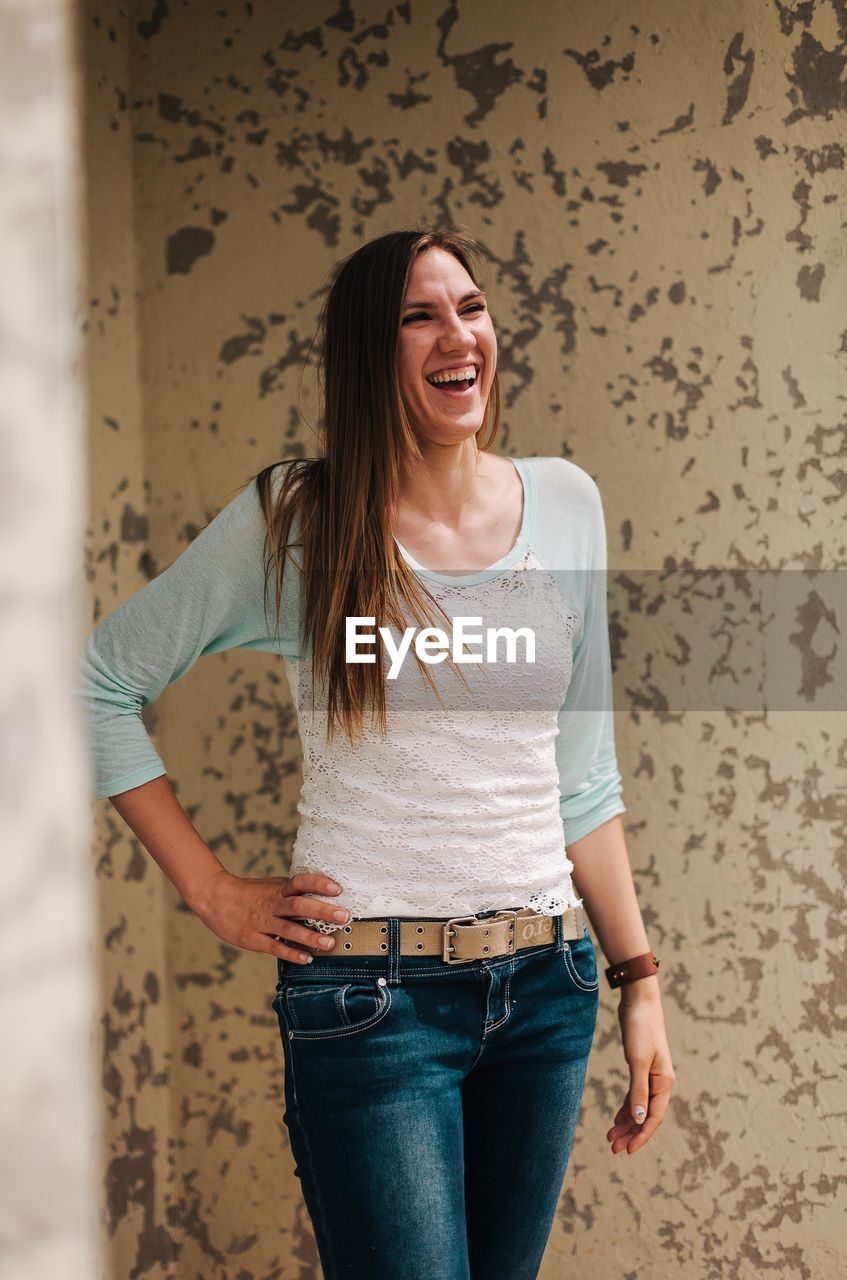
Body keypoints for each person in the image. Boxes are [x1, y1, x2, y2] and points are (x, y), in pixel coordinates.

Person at [78, 225, 675, 1279]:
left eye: (472, 307)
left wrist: (638, 977)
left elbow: (581, 780)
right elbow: (96, 684)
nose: (460, 334)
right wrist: (212, 890)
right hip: (373, 1002)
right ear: (370, 349)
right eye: (420, 314)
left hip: (545, 986)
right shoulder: (299, 520)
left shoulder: (566, 504)